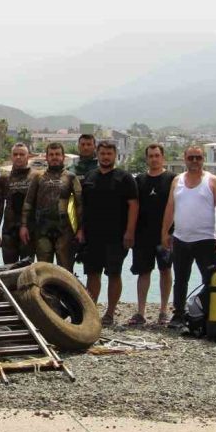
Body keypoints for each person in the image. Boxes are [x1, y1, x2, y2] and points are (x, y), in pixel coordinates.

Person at [78, 139, 137, 326]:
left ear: (115, 155)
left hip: (116, 235)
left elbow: (134, 206)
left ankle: (110, 313)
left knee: (114, 273)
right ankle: (92, 310)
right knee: (92, 274)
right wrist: (81, 230)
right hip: (93, 235)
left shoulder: (125, 178)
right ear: (98, 154)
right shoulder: (89, 177)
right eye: (102, 153)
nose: (105, 157)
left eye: (109, 154)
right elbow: (82, 207)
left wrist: (130, 232)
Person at [162, 145, 216, 329]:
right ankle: (178, 314)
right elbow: (170, 207)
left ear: (203, 159)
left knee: (210, 279)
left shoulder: (212, 181)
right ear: (185, 159)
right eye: (191, 158)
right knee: (180, 279)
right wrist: (165, 231)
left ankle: (209, 312)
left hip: (206, 239)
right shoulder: (177, 181)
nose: (194, 161)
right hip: (180, 239)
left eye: (198, 157)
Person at [129, 143, 176, 326]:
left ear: (162, 157)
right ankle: (141, 312)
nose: (154, 159)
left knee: (165, 270)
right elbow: (134, 207)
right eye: (151, 156)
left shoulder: (172, 179)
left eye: (157, 155)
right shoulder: (139, 180)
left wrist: (170, 232)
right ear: (146, 158)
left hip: (165, 235)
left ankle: (163, 311)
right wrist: (131, 232)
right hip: (143, 235)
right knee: (143, 272)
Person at [20, 142, 81, 270]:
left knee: (66, 271)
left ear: (63, 157)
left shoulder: (71, 177)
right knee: (44, 271)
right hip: (42, 231)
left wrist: (81, 229)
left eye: (57, 154)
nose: (54, 157)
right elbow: (28, 203)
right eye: (51, 155)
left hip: (64, 231)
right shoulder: (38, 177)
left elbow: (80, 205)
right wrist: (24, 226)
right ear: (46, 157)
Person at [0, 143, 35, 263]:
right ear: (11, 157)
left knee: (27, 272)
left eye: (22, 154)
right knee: (8, 271)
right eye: (15, 154)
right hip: (8, 231)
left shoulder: (36, 177)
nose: (18, 157)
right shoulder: (4, 178)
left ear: (28, 157)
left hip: (29, 231)